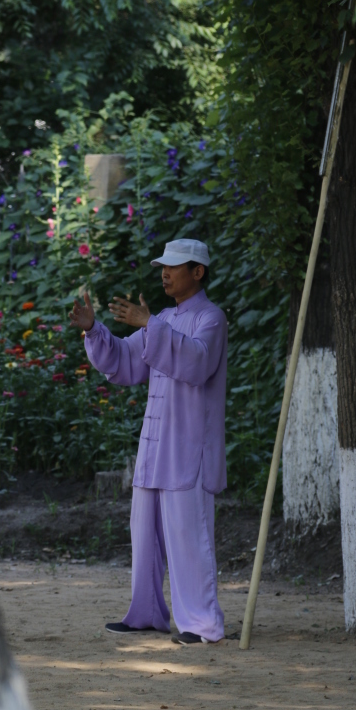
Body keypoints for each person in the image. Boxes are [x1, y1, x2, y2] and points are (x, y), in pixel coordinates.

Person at [69, 238, 226, 645]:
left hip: (189, 450)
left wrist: (149, 324)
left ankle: (201, 625)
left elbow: (195, 362)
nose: (165, 272)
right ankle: (146, 614)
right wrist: (93, 329)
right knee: (145, 535)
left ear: (198, 272)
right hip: (155, 447)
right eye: (163, 265)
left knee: (189, 538)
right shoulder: (164, 321)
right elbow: (123, 361)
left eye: (174, 266)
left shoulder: (211, 318)